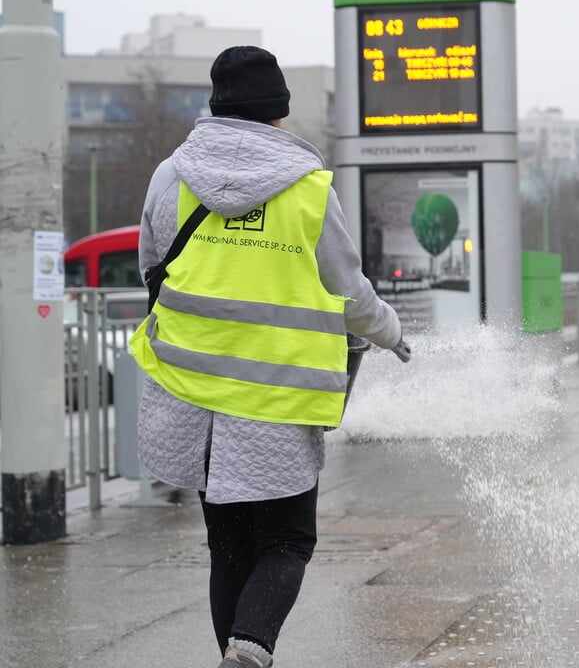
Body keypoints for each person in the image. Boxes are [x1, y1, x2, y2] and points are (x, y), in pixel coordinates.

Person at [128, 46, 412, 668]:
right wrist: (392, 333)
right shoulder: (308, 189)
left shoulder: (170, 175)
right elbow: (348, 292)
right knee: (287, 540)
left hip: (194, 397)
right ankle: (250, 649)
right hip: (277, 398)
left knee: (228, 547)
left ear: (216, 106)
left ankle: (237, 655)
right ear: (279, 113)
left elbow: (151, 266)